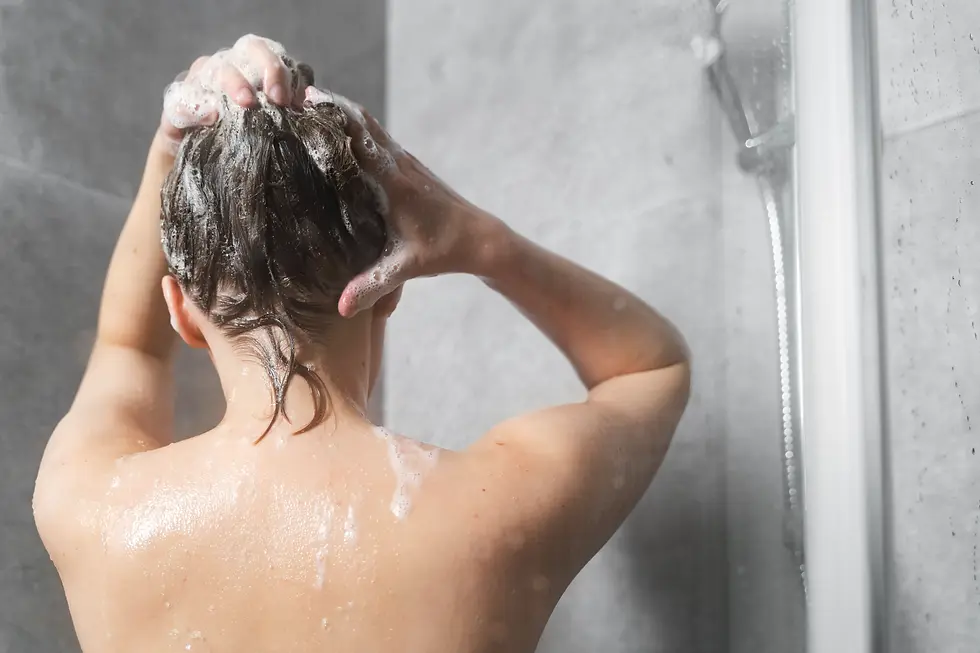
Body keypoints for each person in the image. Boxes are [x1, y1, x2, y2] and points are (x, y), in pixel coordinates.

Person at [33, 35, 690, 653]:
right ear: (392, 286)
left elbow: (128, 346)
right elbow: (650, 368)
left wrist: (167, 143)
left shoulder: (91, 510)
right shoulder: (495, 515)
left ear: (180, 311)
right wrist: (486, 243)